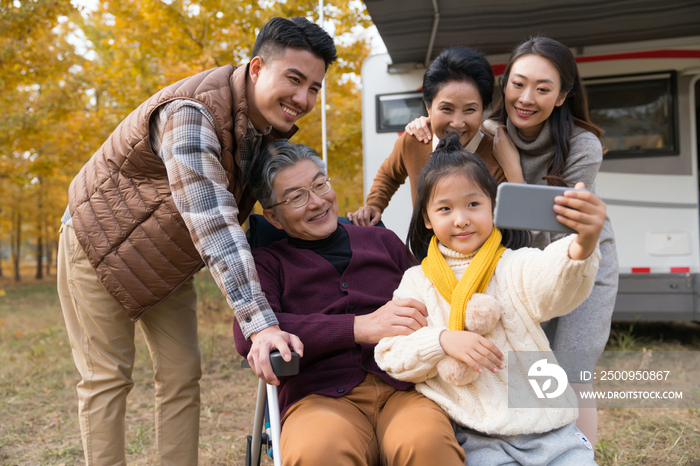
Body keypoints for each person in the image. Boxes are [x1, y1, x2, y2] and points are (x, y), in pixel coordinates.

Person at [56, 17, 336, 466]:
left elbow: (284, 201)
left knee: (182, 373)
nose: (303, 99)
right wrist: (260, 323)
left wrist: (358, 217)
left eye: (315, 89)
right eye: (294, 80)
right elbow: (212, 218)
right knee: (107, 377)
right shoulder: (191, 113)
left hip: (166, 256)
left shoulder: (264, 128)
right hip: (97, 244)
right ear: (258, 67)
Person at [404, 36, 617, 444]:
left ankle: (577, 454)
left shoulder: (582, 146)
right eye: (518, 84)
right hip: (513, 264)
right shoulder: (484, 129)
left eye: (543, 88)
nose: (527, 97)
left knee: (572, 370)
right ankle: (533, 449)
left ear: (561, 96)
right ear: (505, 86)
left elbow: (553, 231)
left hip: (575, 257)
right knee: (530, 366)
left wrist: (512, 167)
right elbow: (445, 158)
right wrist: (421, 123)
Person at [374, 133, 604, 465]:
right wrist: (442, 340)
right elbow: (391, 351)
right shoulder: (417, 281)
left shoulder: (512, 264)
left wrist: (581, 244)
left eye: (473, 204)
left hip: (551, 433)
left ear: (492, 206)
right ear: (426, 218)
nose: (461, 218)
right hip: (476, 438)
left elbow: (553, 279)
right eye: (444, 208)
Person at [234, 140, 466, 466]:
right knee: (318, 454)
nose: (317, 202)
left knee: (427, 443)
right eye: (297, 196)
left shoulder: (382, 241)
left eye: (319, 184)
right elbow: (249, 331)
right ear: (272, 216)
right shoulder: (267, 264)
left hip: (403, 386)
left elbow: (436, 297)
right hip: (318, 397)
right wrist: (358, 327)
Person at [347, 46, 505, 227]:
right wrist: (374, 206)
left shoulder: (496, 152)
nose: (457, 122)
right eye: (447, 109)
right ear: (428, 107)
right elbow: (389, 175)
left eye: (470, 110)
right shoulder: (414, 140)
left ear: (483, 110)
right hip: (424, 252)